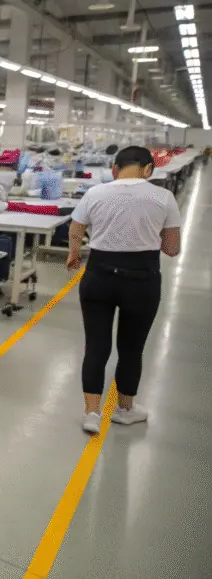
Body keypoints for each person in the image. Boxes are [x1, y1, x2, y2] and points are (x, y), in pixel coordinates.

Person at [67, 146, 181, 434]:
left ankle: (91, 413)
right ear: (148, 169)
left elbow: (76, 229)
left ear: (115, 168)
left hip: (98, 278)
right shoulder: (163, 197)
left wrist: (74, 254)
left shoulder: (95, 193)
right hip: (141, 282)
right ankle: (125, 410)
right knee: (131, 348)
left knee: (96, 346)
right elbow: (172, 249)